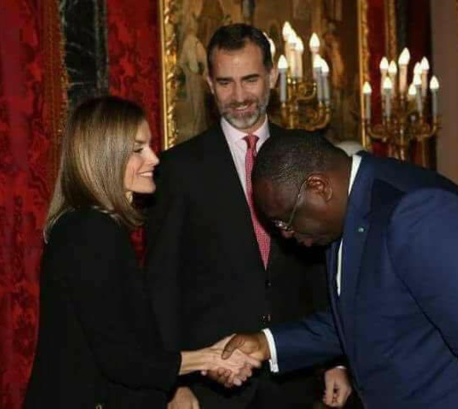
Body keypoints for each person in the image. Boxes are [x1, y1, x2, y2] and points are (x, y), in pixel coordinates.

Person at [219, 133, 458, 408]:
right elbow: (364, 318)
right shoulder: (348, 213)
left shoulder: (416, 213)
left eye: (286, 220)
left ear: (318, 187)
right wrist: (267, 343)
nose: (285, 235)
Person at [145, 24, 353, 409]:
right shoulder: (177, 169)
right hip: (210, 386)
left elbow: (326, 269)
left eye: (251, 79)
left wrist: (335, 360)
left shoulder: (311, 155)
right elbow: (162, 285)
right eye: (225, 82)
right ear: (209, 83)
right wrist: (173, 383)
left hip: (298, 378)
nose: (239, 96)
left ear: (273, 76)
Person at [24, 96, 258, 408]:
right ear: (104, 156)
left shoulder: (93, 227)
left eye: (148, 146)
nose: (153, 158)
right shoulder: (90, 232)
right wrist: (208, 358)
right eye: (137, 150)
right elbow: (122, 359)